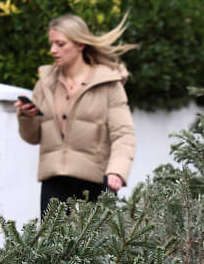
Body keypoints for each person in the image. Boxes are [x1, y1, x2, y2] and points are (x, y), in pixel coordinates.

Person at [15, 14, 137, 216]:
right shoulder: (45, 83)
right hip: (54, 182)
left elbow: (124, 134)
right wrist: (26, 117)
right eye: (51, 44)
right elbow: (32, 137)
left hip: (97, 182)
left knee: (103, 246)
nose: (53, 50)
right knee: (53, 247)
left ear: (80, 44)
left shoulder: (108, 83)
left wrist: (117, 170)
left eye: (60, 44)